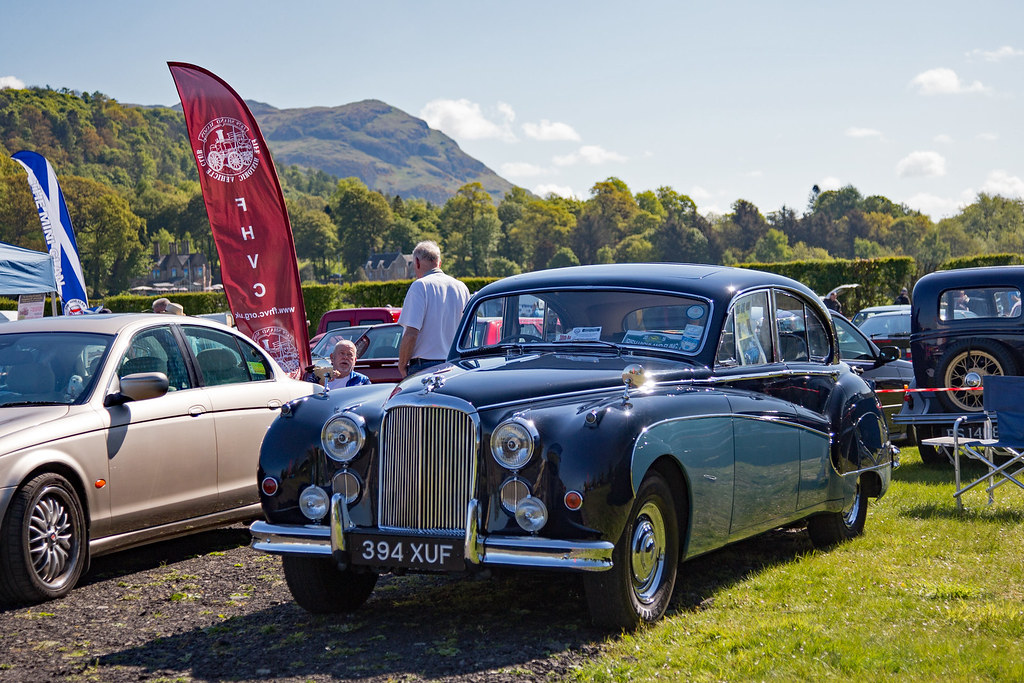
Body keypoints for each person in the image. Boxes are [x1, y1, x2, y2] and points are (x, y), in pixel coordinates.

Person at [397, 240, 470, 377]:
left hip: (424, 367)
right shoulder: (461, 287)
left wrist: (402, 365)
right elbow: (467, 334)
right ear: (439, 263)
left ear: (417, 262)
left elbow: (411, 333)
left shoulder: (419, 286)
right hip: (454, 364)